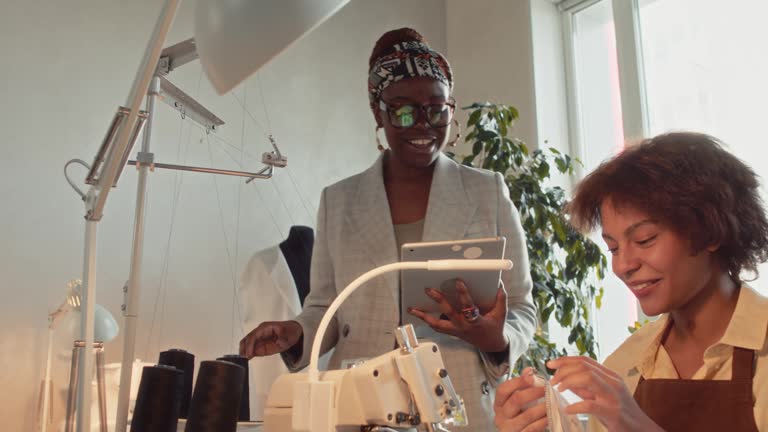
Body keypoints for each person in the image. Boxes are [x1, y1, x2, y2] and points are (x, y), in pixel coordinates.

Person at [239, 28, 537, 431]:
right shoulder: (339, 201)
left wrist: (496, 340)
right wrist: (296, 333)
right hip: (361, 406)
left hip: (459, 405)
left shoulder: (487, 192)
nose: (423, 125)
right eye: (402, 111)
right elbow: (325, 306)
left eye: (437, 110)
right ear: (378, 112)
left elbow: (521, 306)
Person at [493, 132, 768, 432]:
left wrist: (635, 425)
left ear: (711, 231)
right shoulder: (627, 363)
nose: (623, 265)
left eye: (644, 239)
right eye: (612, 247)